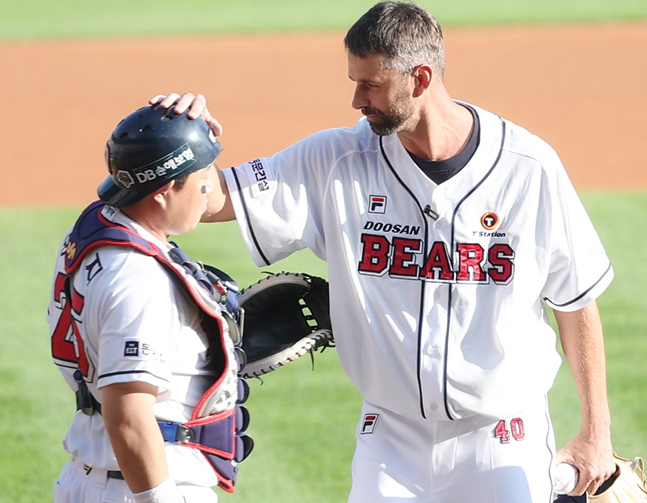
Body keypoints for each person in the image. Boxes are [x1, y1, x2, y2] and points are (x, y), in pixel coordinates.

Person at [152, 1, 616, 501]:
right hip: (390, 440)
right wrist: (180, 141)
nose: (356, 99)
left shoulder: (528, 168)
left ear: (420, 78)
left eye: (370, 84)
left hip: (503, 435)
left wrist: (597, 433)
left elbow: (576, 302)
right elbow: (216, 199)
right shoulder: (335, 160)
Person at [47, 104, 252, 503]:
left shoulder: (97, 226)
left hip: (99, 475)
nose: (210, 190)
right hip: (144, 484)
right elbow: (129, 416)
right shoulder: (138, 280)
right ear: (161, 192)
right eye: (201, 179)